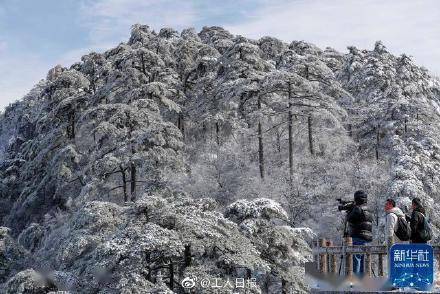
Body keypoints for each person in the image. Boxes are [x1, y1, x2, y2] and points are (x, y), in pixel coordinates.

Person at [346, 190, 373, 275]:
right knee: (363, 260)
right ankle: (362, 281)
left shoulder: (357, 208)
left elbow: (349, 219)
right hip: (367, 238)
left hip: (357, 236)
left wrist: (349, 211)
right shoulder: (368, 209)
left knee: (356, 259)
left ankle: (357, 282)